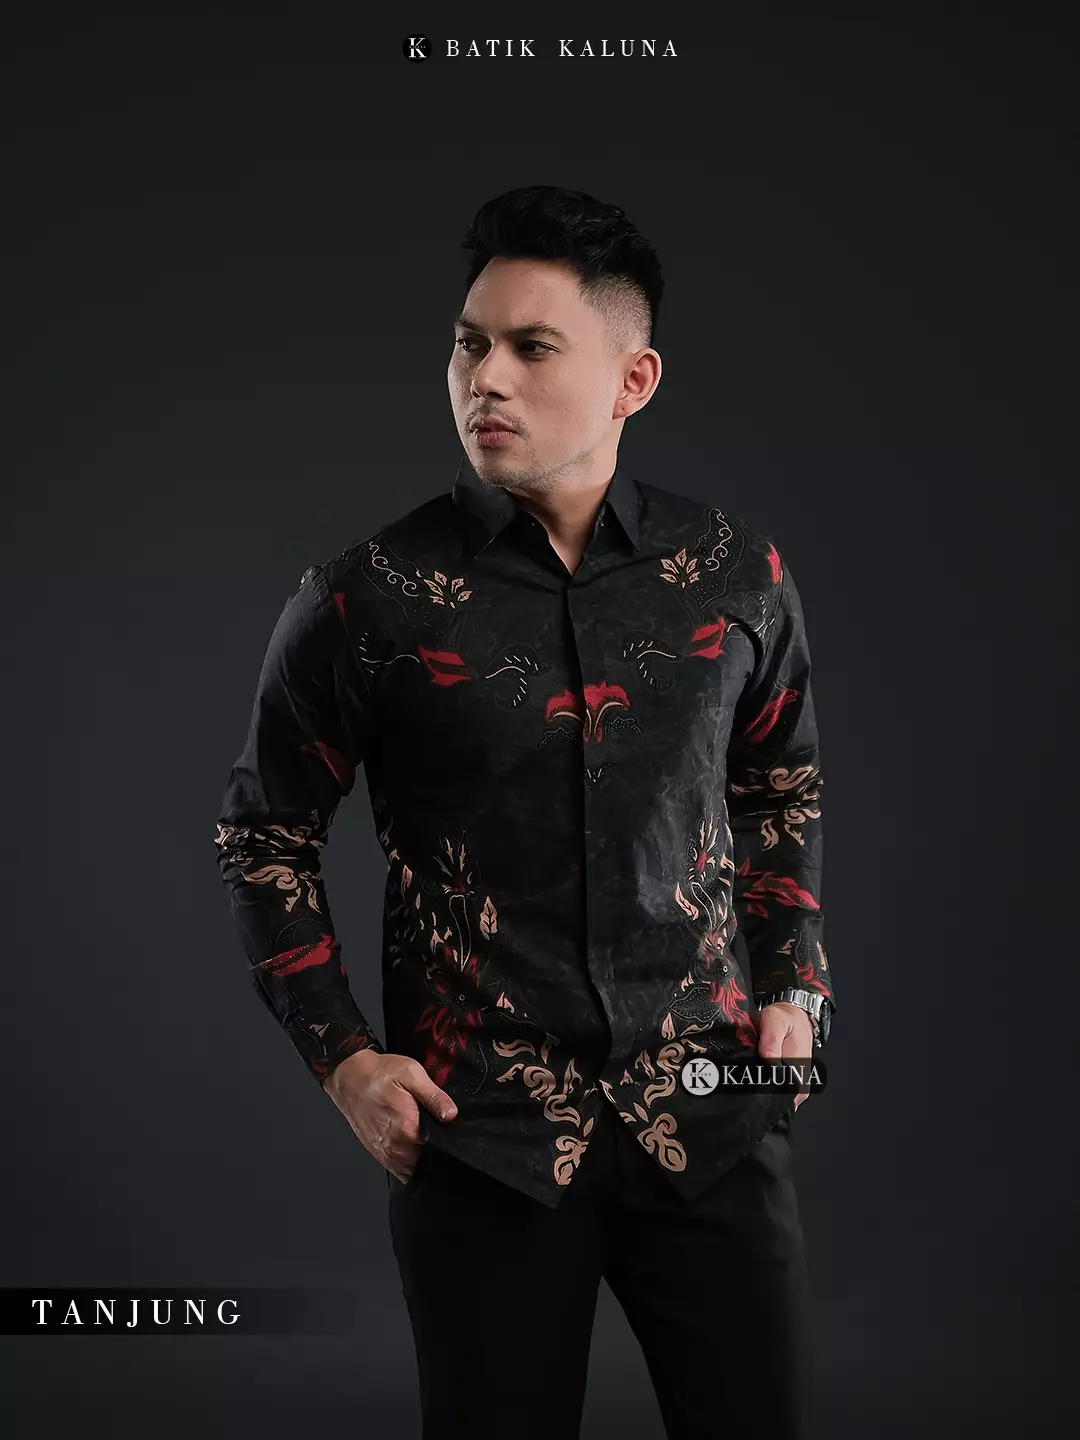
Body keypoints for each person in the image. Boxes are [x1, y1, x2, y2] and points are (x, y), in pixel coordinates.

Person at [213, 183, 835, 1440]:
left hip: (708, 1111)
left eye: (532, 347)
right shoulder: (366, 599)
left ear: (632, 380)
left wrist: (797, 989)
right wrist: (344, 1061)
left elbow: (780, 787)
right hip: (483, 1134)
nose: (484, 377)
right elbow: (264, 835)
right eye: (468, 342)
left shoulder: (734, 575)